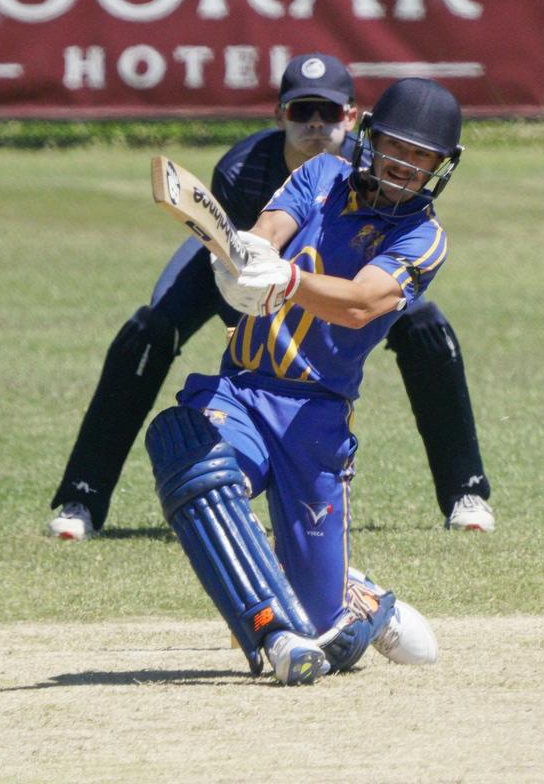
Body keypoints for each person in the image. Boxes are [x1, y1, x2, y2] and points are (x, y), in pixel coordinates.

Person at [48, 54, 493, 539]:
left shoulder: (385, 196)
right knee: (149, 331)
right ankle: (82, 498)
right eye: (303, 111)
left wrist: (294, 289)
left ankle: (464, 492)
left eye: (328, 112)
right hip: (252, 262)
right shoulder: (245, 170)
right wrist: (247, 283)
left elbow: (360, 301)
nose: (316, 125)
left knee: (427, 331)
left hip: (342, 272)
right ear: (280, 114)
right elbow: (252, 265)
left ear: (350, 117)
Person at [144, 75, 464, 685]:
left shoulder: (423, 237)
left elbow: (359, 305)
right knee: (195, 463)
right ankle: (273, 631)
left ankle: (360, 602)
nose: (404, 164)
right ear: (368, 137)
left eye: (421, 157)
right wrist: (242, 262)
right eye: (395, 146)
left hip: (316, 415)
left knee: (332, 639)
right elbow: (266, 236)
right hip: (242, 386)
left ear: (441, 168)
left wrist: (286, 282)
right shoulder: (320, 175)